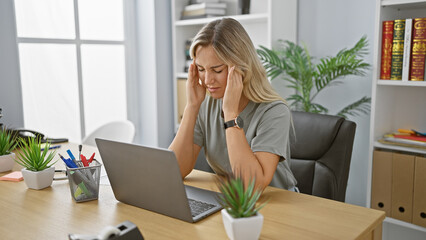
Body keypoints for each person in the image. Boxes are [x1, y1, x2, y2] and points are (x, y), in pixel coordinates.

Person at [169, 18, 297, 191]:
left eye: (217, 70)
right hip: (231, 202)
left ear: (240, 67)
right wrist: (191, 106)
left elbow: (251, 186)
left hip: (276, 205)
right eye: (200, 69)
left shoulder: (274, 111)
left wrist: (230, 113)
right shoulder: (207, 104)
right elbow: (175, 170)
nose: (207, 80)